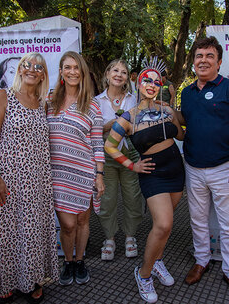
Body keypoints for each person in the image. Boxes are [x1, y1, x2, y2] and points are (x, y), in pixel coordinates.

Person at [176, 36, 229, 303]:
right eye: (199, 56)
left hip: (224, 168)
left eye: (209, 56)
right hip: (193, 167)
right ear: (193, 62)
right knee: (197, 220)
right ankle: (201, 261)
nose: (203, 60)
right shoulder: (187, 92)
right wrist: (168, 109)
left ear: (219, 62)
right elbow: (188, 121)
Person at [105, 57, 185, 303]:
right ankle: (144, 274)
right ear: (138, 84)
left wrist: (172, 112)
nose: (151, 84)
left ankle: (158, 260)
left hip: (175, 168)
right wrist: (132, 164)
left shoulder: (166, 109)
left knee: (167, 226)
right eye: (146, 80)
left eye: (156, 81)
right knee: (162, 225)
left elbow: (180, 135)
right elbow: (110, 146)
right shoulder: (128, 116)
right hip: (152, 173)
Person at [0, 52, 58, 304]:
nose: (33, 69)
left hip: (36, 180)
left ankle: (30, 280)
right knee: (6, 232)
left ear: (43, 74)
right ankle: (5, 283)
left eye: (39, 67)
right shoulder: (2, 96)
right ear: (19, 69)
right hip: (6, 177)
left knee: (31, 232)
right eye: (28, 64)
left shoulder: (42, 103)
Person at [46, 51, 105, 286]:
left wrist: (99, 175)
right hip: (57, 174)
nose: (72, 72)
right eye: (67, 67)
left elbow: (98, 143)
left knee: (82, 222)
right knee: (67, 224)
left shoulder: (92, 106)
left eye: (76, 67)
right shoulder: (49, 101)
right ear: (61, 71)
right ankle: (67, 260)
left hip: (84, 172)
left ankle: (79, 261)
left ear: (82, 72)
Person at [95, 59, 144, 261]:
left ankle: (130, 236)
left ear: (126, 78)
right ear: (107, 74)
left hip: (130, 152)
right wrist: (114, 124)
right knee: (108, 199)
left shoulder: (134, 99)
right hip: (106, 154)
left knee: (133, 197)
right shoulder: (96, 101)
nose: (119, 74)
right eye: (115, 70)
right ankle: (110, 238)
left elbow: (140, 124)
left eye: (123, 72)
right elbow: (94, 130)